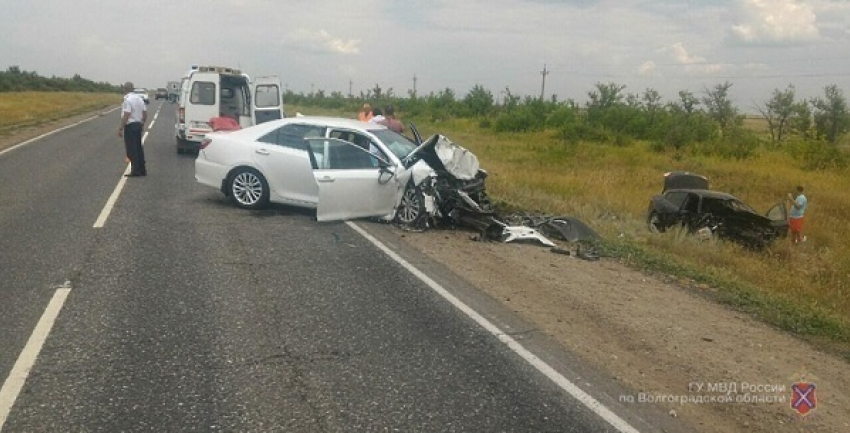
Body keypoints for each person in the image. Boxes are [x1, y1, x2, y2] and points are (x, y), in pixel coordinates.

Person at [118, 81, 147, 176]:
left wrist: (121, 128)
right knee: (138, 147)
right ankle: (142, 169)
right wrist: (142, 123)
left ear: (125, 89)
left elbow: (127, 114)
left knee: (131, 149)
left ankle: (135, 170)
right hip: (138, 124)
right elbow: (145, 113)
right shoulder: (139, 99)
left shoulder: (128, 100)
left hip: (130, 126)